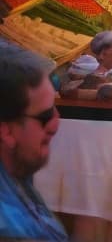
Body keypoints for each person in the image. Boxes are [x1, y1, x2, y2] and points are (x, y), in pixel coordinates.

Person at [0, 40, 68, 241]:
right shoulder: (12, 232)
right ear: (6, 132)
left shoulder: (15, 168)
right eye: (45, 116)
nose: (56, 123)